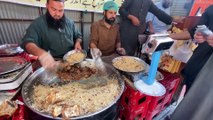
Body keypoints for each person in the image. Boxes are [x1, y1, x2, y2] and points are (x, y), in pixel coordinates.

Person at [21, 0, 82, 68]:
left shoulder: (70, 23)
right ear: (47, 5)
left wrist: (78, 42)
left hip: (71, 61)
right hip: (51, 64)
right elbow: (28, 43)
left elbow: (78, 36)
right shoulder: (38, 24)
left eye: (61, 10)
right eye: (54, 9)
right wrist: (42, 54)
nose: (57, 14)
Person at [171, 34, 213, 120]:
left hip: (207, 82)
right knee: (189, 102)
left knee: (201, 108)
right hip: (197, 70)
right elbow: (193, 32)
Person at [180, 4, 213, 92]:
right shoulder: (211, 9)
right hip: (197, 65)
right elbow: (194, 31)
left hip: (208, 79)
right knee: (188, 98)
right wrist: (197, 35)